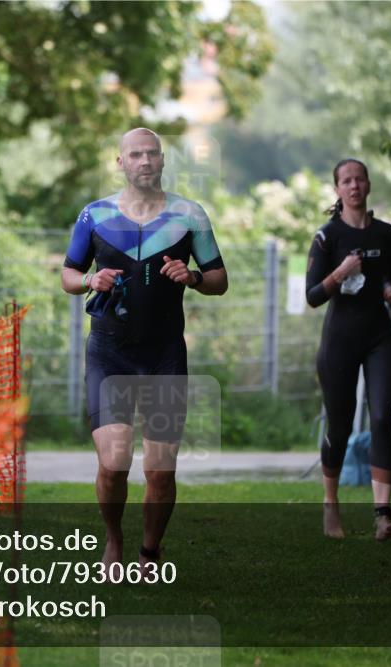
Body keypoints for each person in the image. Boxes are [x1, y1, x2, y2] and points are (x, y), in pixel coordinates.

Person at [61, 128, 227, 577]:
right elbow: (68, 274)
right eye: (136, 154)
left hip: (164, 355)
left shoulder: (189, 216)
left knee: (160, 471)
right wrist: (89, 282)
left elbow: (219, 280)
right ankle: (113, 538)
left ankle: (150, 552)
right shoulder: (94, 215)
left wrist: (191, 277)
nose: (145, 161)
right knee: (114, 463)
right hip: (109, 353)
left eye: (152, 153)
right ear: (121, 162)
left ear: (163, 160)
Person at [305, 158, 391, 541]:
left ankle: (383, 516)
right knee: (339, 425)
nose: (353, 186)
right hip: (340, 341)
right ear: (337, 190)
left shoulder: (387, 234)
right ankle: (330, 504)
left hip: (380, 337)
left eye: (359, 179)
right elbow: (313, 296)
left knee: (382, 419)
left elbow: (389, 278)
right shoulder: (327, 236)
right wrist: (339, 273)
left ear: (368, 186)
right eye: (346, 181)